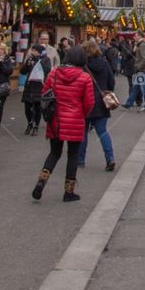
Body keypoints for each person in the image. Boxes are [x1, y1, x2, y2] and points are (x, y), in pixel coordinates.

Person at [31, 44, 94, 203]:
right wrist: (82, 115)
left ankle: (41, 181)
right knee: (72, 155)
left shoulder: (54, 73)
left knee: (54, 153)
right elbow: (89, 103)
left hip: (56, 119)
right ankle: (68, 192)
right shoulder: (85, 77)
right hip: (75, 120)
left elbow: (45, 94)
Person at [79, 38, 116, 171]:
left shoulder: (82, 66)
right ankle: (110, 158)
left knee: (83, 132)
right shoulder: (105, 64)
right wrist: (107, 90)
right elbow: (112, 82)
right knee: (102, 131)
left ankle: (80, 160)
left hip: (85, 101)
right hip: (101, 102)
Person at [21, 42, 51, 134]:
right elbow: (23, 71)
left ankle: (36, 126)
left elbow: (47, 69)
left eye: (34, 51)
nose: (32, 52)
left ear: (39, 52)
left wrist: (38, 63)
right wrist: (27, 65)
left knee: (38, 107)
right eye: (32, 50)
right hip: (29, 86)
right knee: (27, 107)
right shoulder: (30, 59)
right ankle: (30, 123)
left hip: (39, 86)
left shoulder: (46, 59)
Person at [0, 40, 15, 133]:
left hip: (3, 85)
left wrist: (1, 63)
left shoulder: (8, 60)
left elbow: (8, 71)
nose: (0, 50)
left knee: (0, 107)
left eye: (2, 49)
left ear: (5, 50)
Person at [124, 36, 145, 110]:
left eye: (135, 36)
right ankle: (128, 103)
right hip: (142, 70)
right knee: (135, 88)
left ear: (140, 37)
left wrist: (138, 67)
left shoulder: (142, 45)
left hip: (142, 70)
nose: (134, 38)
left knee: (144, 88)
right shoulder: (141, 45)